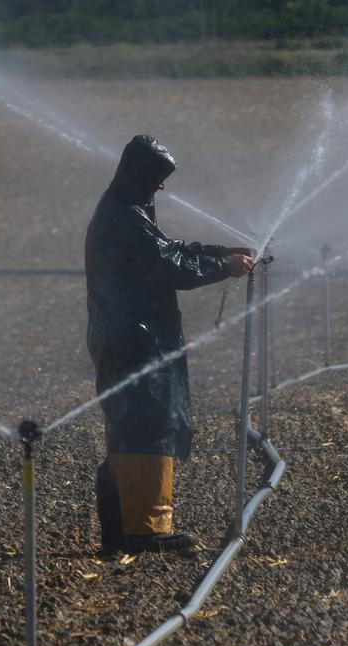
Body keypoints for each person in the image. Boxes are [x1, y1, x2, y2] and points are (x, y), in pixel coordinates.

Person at [85, 135, 254, 555]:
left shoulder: (126, 211)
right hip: (136, 342)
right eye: (158, 178)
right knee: (148, 426)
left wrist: (219, 252)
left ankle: (120, 530)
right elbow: (167, 266)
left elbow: (167, 248)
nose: (162, 187)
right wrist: (224, 267)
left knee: (128, 427)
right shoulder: (122, 217)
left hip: (127, 339)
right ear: (141, 174)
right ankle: (146, 530)